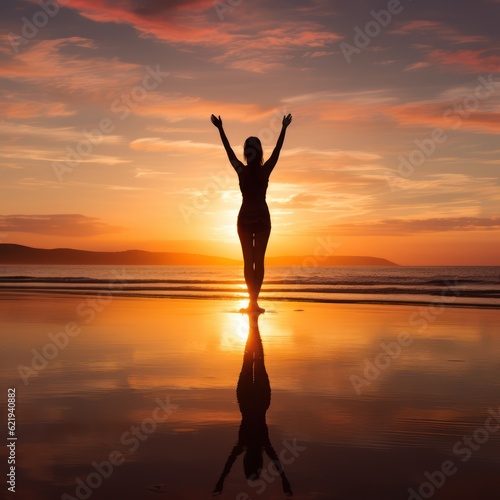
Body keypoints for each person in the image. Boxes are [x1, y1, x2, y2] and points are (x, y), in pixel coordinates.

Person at [211, 113, 292, 313]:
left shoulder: (242, 170)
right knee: (257, 261)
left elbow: (229, 152)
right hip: (259, 219)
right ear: (258, 151)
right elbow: (277, 150)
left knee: (250, 262)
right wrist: (283, 128)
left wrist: (220, 128)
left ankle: (252, 302)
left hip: (248, 220)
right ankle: (253, 302)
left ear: (247, 152)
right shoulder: (263, 171)